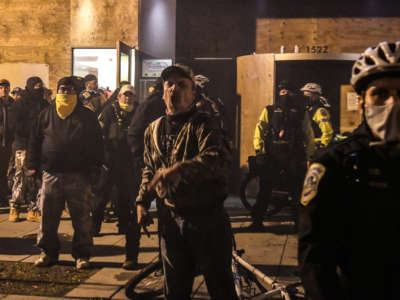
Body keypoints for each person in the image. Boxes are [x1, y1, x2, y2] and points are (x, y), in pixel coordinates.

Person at [298, 41, 400, 300]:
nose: (393, 103)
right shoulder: (334, 164)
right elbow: (315, 257)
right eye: (380, 94)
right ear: (362, 101)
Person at [136, 65, 238, 300]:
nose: (174, 89)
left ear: (193, 94)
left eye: (182, 85)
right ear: (162, 92)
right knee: (175, 287)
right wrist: (142, 201)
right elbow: (149, 169)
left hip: (206, 219)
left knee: (219, 285)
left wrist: (180, 170)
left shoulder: (204, 124)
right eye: (169, 84)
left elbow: (217, 158)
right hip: (170, 220)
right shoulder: (153, 130)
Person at [27, 76, 103, 269]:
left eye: (69, 90)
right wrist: (32, 165)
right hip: (51, 174)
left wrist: (95, 167)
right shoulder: (45, 114)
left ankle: (82, 254)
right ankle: (48, 253)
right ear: (57, 91)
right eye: (62, 89)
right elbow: (34, 142)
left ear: (76, 92)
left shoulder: (87, 116)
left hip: (78, 175)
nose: (65, 93)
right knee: (48, 218)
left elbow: (96, 144)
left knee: (82, 218)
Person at [250, 81, 315, 231]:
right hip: (275, 155)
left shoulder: (300, 112)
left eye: (288, 91)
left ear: (293, 93)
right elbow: (259, 129)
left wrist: (309, 156)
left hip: (293, 154)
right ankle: (258, 221)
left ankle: (299, 223)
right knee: (266, 189)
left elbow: (308, 134)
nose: (285, 94)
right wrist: (259, 150)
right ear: (278, 93)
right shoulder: (270, 110)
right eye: (282, 91)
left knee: (296, 190)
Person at [93, 84, 140, 270]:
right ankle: (94, 227)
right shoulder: (109, 111)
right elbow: (98, 135)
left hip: (128, 166)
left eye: (130, 95)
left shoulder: (138, 112)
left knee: (126, 202)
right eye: (124, 95)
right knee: (99, 198)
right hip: (109, 163)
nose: (127, 98)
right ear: (118, 96)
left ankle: (125, 234)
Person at [9, 77, 48, 222]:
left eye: (40, 87)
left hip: (39, 146)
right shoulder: (20, 104)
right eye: (36, 87)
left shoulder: (44, 104)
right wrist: (33, 130)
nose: (38, 90)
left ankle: (34, 208)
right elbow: (14, 125)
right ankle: (15, 207)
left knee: (37, 179)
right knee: (20, 177)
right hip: (22, 145)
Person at [301, 82, 334, 148]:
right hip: (307, 145)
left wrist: (323, 145)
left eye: (308, 96)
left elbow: (327, 132)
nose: (306, 99)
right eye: (304, 96)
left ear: (316, 96)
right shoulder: (306, 109)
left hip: (315, 145)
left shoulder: (320, 111)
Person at [0, 79, 15, 207]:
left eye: (6, 87)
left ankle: (3, 196)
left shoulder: (13, 103)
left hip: (9, 143)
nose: (4, 89)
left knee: (5, 170)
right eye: (1, 87)